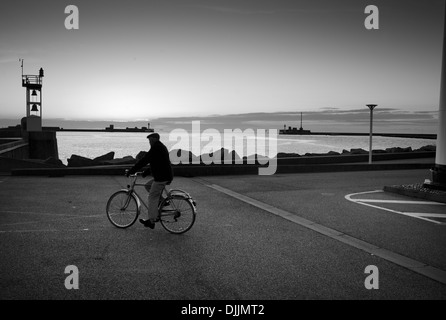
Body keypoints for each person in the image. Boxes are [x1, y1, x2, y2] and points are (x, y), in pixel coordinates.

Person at [127, 133, 173, 229]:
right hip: (164, 175)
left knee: (152, 197)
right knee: (148, 185)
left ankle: (152, 221)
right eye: (149, 141)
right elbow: (156, 162)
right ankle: (163, 201)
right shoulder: (159, 147)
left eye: (150, 140)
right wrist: (146, 172)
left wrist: (131, 171)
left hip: (161, 177)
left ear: (155, 139)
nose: (149, 142)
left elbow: (145, 160)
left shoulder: (156, 147)